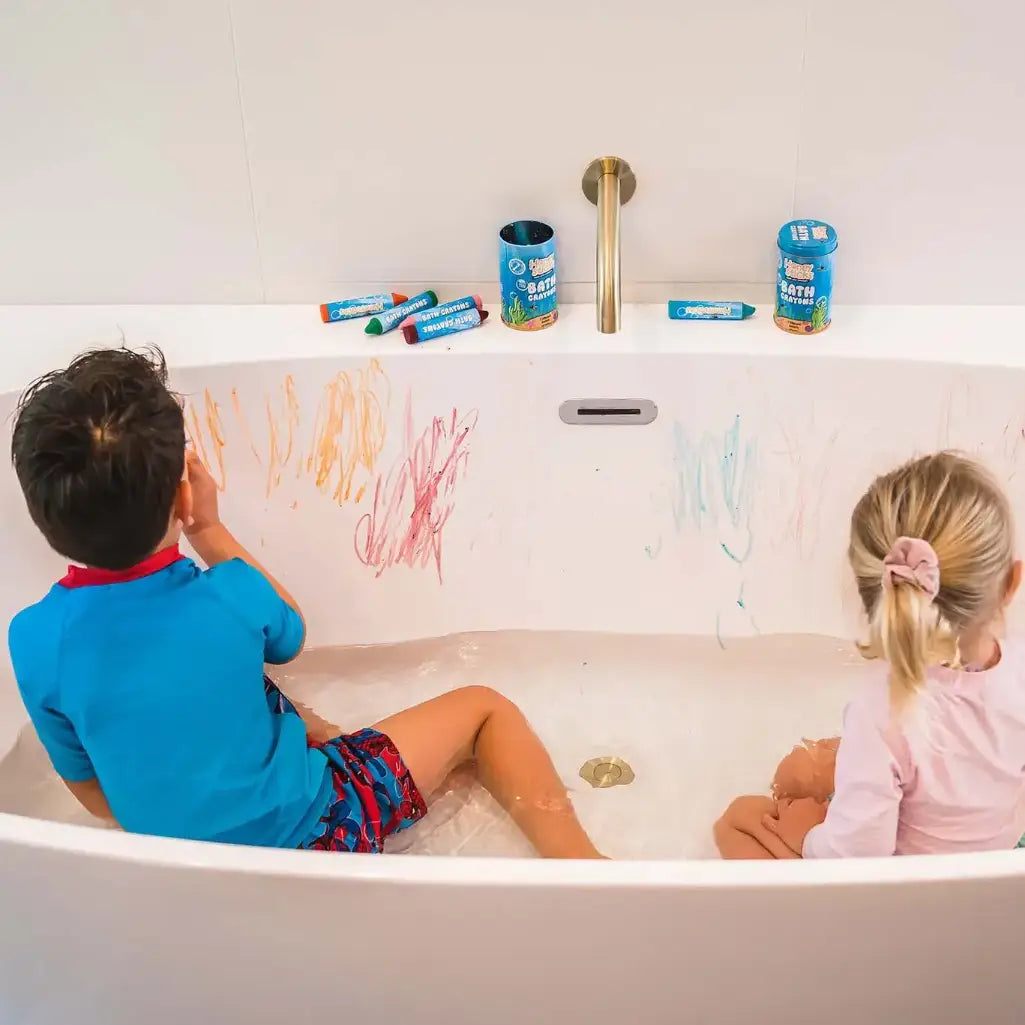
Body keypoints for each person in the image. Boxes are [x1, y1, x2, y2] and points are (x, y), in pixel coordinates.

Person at [8, 346, 602, 859]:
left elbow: (94, 795)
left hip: (178, 865)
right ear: (182, 495)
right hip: (318, 834)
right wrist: (208, 528)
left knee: (216, 691)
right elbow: (289, 635)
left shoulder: (32, 639)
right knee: (484, 711)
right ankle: (584, 868)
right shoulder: (231, 595)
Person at [715, 451, 1025, 859]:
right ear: (1011, 582)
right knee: (813, 765)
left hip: (907, 892)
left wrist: (806, 835)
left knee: (738, 819)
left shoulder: (881, 711)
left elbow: (858, 858)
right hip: (997, 867)